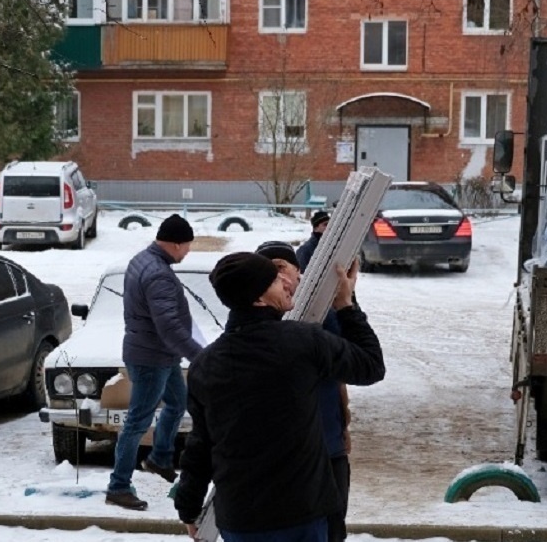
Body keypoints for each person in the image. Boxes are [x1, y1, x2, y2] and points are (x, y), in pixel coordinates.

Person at [174, 252, 384, 542]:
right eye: (275, 280)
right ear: (258, 300)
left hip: (241, 520)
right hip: (301, 515)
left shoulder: (205, 366)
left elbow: (201, 445)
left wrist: (188, 508)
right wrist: (346, 306)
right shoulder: (304, 342)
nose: (287, 283)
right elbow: (371, 366)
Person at [255, 240, 352, 542]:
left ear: (300, 274)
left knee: (334, 529)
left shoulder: (324, 313)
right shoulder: (252, 322)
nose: (279, 279)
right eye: (269, 274)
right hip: (279, 454)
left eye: (282, 268)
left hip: (328, 446)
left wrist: (346, 303)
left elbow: (353, 363)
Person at [106, 213, 203, 511]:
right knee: (137, 421)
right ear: (175, 244)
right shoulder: (159, 274)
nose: (187, 251)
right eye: (187, 245)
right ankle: (118, 487)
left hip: (156, 352)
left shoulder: (142, 259)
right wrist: (199, 356)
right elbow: (169, 326)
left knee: (177, 402)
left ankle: (160, 457)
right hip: (151, 357)